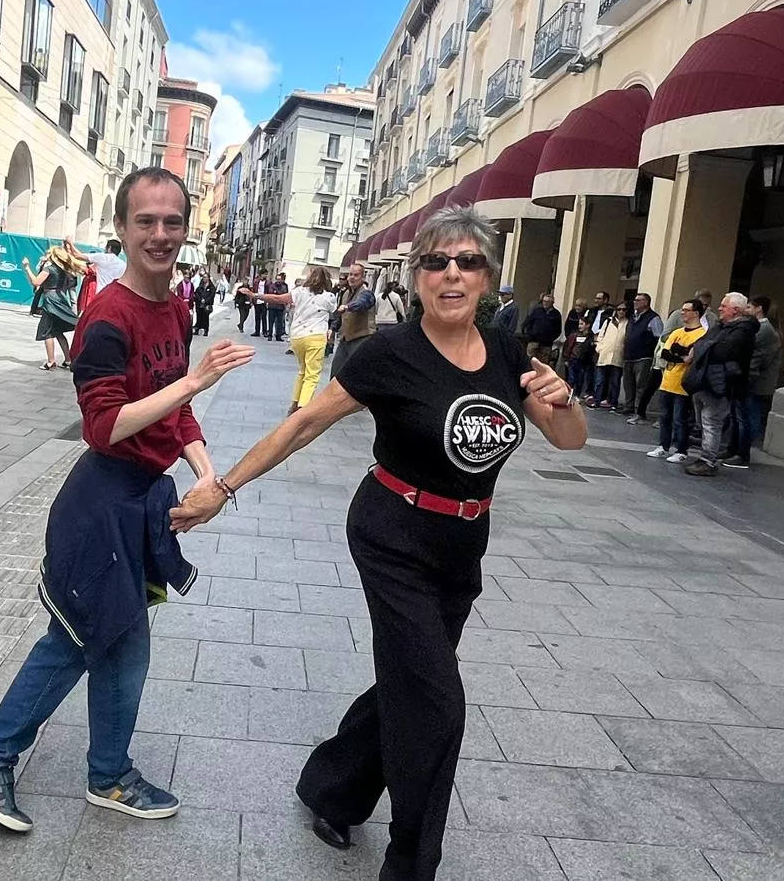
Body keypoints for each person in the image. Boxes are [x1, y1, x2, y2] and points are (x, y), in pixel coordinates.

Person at [170, 205, 586, 881]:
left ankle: (333, 789)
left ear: (487, 278)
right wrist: (224, 487)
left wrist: (565, 401)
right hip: (393, 534)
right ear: (418, 277)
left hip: (462, 544)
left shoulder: (509, 353)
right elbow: (304, 424)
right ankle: (410, 863)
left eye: (468, 262)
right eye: (436, 262)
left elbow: (568, 440)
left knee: (410, 681)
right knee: (439, 705)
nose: (452, 274)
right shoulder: (392, 353)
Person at [0, 167, 254, 834]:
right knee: (80, 639)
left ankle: (102, 772)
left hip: (139, 501)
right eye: (145, 221)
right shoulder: (107, 318)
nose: (160, 234)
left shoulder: (175, 306)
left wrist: (207, 474)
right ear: (121, 228)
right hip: (100, 503)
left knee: (114, 640)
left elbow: (175, 409)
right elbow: (103, 425)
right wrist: (194, 381)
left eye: (172, 221)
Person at [683, 292, 756, 477]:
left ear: (735, 310)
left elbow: (721, 351)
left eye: (724, 306)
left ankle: (708, 460)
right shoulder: (720, 326)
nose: (719, 308)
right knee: (703, 422)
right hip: (704, 381)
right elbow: (700, 343)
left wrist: (704, 347)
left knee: (711, 422)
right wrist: (704, 346)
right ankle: (705, 456)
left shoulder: (744, 330)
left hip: (720, 384)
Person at [258, 266, 338, 414]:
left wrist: (255, 295)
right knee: (312, 374)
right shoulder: (329, 297)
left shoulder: (299, 291)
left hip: (298, 336)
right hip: (316, 336)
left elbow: (277, 299)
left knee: (302, 370)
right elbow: (335, 311)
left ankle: (295, 403)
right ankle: (302, 407)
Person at [645, 299, 706, 464]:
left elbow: (692, 356)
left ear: (696, 313)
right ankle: (663, 446)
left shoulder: (702, 334)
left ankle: (681, 450)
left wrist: (679, 351)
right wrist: (682, 354)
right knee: (665, 417)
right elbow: (665, 353)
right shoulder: (676, 332)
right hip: (667, 380)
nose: (682, 313)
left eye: (686, 310)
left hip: (684, 383)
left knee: (680, 419)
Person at [728, 295, 782, 468]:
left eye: (749, 307)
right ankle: (733, 448)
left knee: (747, 417)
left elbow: (754, 354)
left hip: (755, 381)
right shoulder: (761, 327)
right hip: (750, 377)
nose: (746, 310)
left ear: (759, 309)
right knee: (738, 415)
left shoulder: (763, 329)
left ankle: (742, 453)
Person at [23, 246, 82, 370]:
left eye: (50, 253)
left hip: (50, 301)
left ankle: (51, 361)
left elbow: (36, 282)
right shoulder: (65, 271)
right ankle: (68, 360)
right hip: (61, 299)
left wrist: (27, 267)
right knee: (58, 332)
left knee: (47, 332)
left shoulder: (49, 269)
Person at [619, 292, 663, 425]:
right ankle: (628, 408)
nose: (635, 302)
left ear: (646, 302)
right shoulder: (633, 317)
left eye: (638, 300)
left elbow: (659, 337)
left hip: (643, 357)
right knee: (628, 384)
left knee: (641, 385)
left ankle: (639, 411)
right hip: (629, 356)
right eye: (635, 300)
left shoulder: (653, 318)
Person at [330, 262, 376, 378]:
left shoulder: (367, 293)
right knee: (336, 372)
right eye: (350, 274)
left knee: (356, 374)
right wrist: (332, 328)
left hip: (361, 338)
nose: (352, 278)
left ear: (363, 277)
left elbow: (362, 303)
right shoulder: (346, 293)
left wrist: (348, 307)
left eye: (356, 275)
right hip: (346, 338)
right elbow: (340, 314)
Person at [593, 303, 627, 410]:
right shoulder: (608, 321)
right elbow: (600, 336)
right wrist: (599, 348)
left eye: (624, 309)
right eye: (619, 309)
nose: (621, 311)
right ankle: (597, 401)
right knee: (600, 381)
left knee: (615, 381)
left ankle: (613, 403)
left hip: (618, 356)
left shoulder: (628, 323)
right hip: (604, 354)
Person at [520, 292, 562, 362]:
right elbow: (528, 322)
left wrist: (550, 338)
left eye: (547, 302)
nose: (545, 303)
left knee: (543, 363)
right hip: (533, 341)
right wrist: (529, 334)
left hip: (546, 344)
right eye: (544, 301)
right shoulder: (537, 311)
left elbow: (558, 330)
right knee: (529, 361)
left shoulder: (556, 314)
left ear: (552, 303)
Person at [192, 271, 217, 336]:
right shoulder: (200, 286)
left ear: (208, 278)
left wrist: (205, 300)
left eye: (205, 277)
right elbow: (196, 293)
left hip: (207, 305)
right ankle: (197, 329)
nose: (204, 278)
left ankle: (205, 330)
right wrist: (200, 299)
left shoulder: (211, 287)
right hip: (199, 304)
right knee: (199, 317)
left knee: (205, 318)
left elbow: (212, 295)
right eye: (203, 277)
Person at [267, 272, 290, 342]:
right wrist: (279, 295)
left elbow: (285, 295)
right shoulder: (272, 286)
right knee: (271, 322)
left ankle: (278, 336)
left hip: (280, 307)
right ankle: (270, 335)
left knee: (280, 322)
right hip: (272, 306)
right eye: (277, 279)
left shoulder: (284, 287)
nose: (278, 281)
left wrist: (277, 294)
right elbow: (271, 293)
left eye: (280, 279)